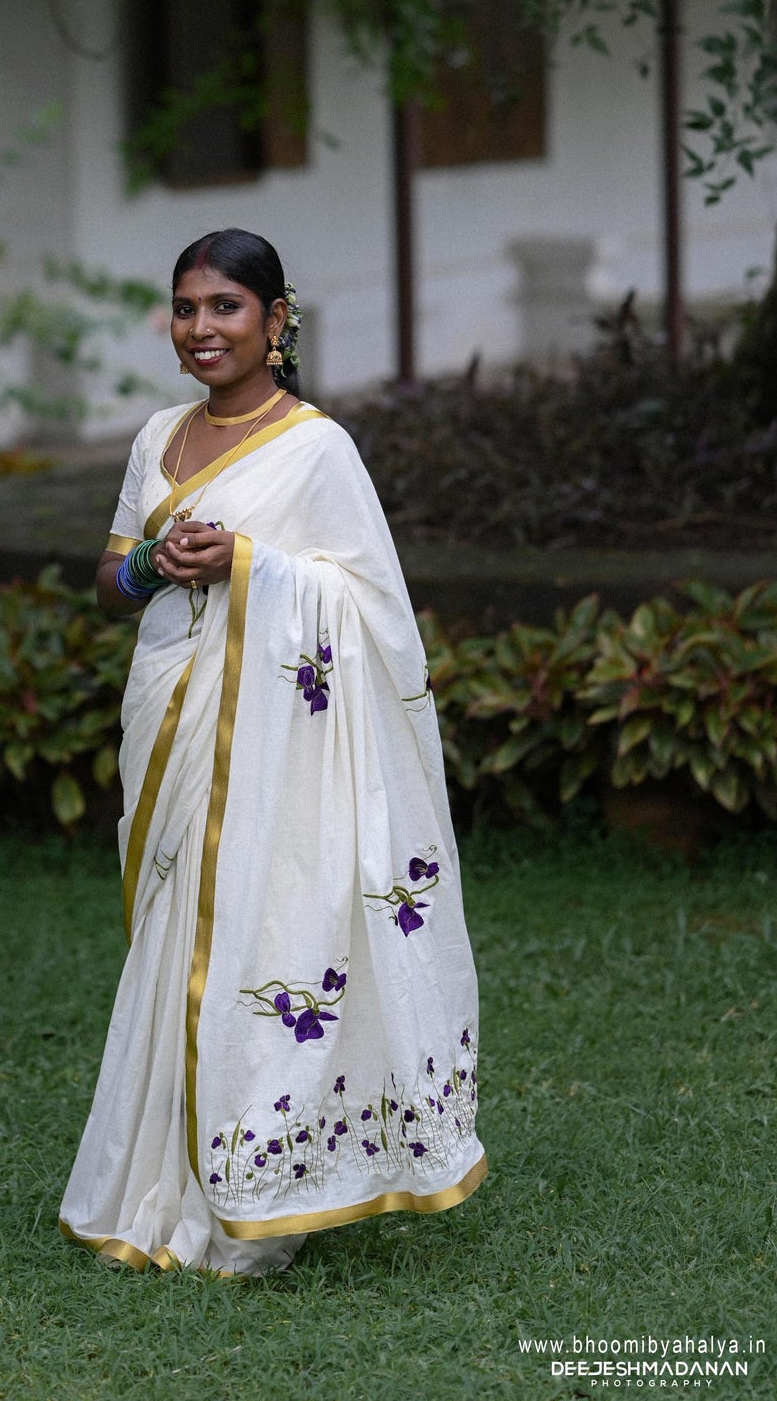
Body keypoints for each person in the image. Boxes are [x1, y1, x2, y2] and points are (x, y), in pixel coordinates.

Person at [59, 228, 485, 1275]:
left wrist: (249, 562)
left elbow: (373, 610)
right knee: (172, 939)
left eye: (225, 309)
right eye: (185, 308)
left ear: (273, 321)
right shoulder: (157, 434)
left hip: (282, 753)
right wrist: (159, 563)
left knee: (265, 933)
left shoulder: (317, 448)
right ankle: (150, 1184)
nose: (201, 329)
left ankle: (260, 1186)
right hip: (171, 717)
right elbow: (108, 582)